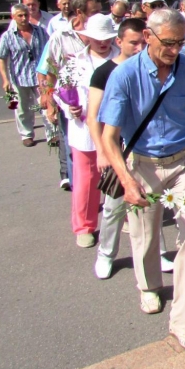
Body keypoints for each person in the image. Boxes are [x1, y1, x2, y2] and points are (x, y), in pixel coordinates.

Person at [99, 8, 185, 350]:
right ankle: (149, 286)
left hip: (183, 164)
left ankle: (183, 323)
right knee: (145, 234)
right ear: (148, 36)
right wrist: (127, 181)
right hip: (142, 164)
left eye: (180, 42)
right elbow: (109, 138)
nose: (175, 50)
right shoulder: (124, 75)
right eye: (168, 43)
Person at [88, 18, 175, 278]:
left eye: (142, 41)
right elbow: (94, 116)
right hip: (120, 150)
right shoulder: (106, 72)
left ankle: (156, 253)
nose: (139, 47)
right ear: (120, 42)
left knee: (151, 203)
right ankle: (106, 253)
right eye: (132, 42)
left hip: (147, 150)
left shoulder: (156, 68)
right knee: (114, 206)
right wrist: (102, 151)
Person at [54, 13, 120, 248]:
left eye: (107, 38)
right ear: (87, 37)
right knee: (85, 181)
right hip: (84, 130)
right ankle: (84, 226)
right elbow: (59, 90)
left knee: (122, 173)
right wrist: (68, 106)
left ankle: (127, 216)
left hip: (116, 128)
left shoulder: (122, 59)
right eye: (97, 38)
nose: (103, 43)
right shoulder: (74, 63)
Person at [37, 0, 102, 190]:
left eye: (101, 11)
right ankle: (81, 192)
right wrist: (49, 103)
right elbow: (50, 72)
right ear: (80, 12)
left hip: (100, 104)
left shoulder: (104, 33)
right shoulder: (60, 37)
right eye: (94, 12)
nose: (100, 16)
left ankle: (104, 189)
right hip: (73, 107)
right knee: (76, 152)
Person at [0, 4, 53, 147]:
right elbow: (2, 59)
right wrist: (5, 80)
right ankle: (26, 134)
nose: (23, 18)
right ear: (13, 17)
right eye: (20, 15)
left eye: (26, 15)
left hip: (41, 77)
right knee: (22, 108)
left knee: (46, 105)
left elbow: (50, 52)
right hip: (19, 78)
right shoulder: (8, 36)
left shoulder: (40, 32)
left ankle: (52, 135)